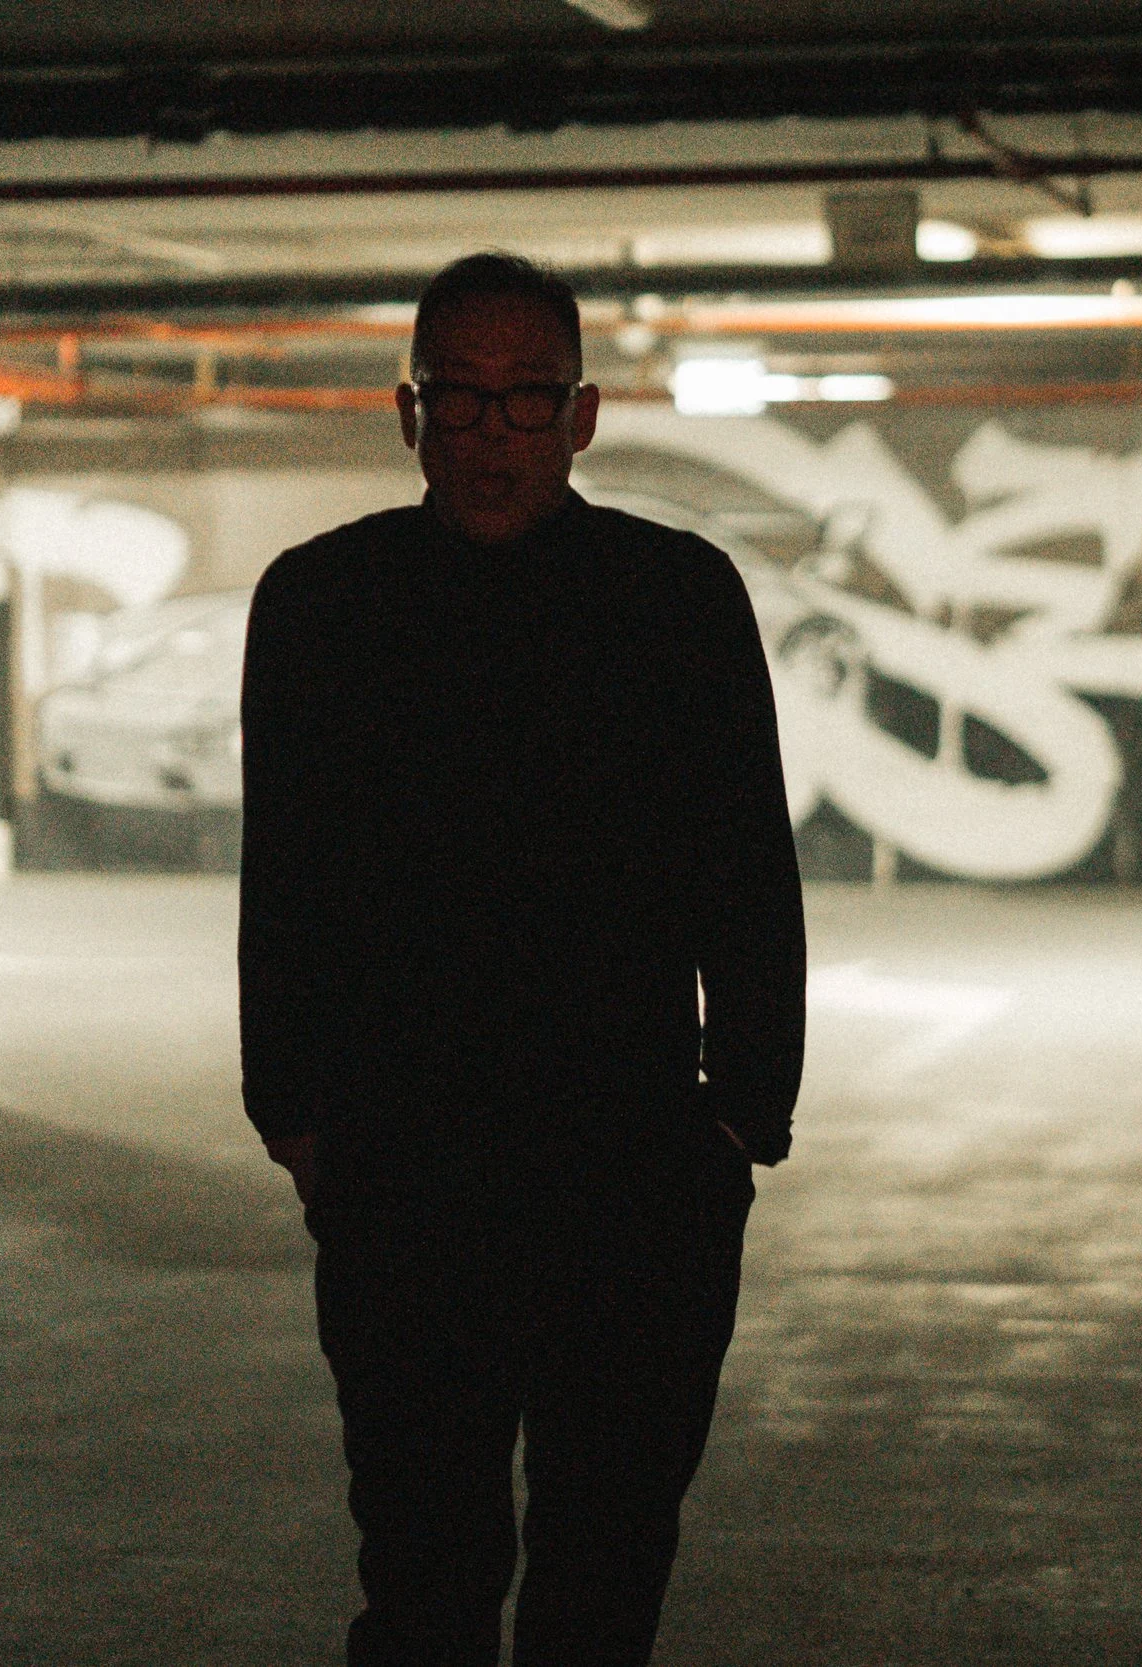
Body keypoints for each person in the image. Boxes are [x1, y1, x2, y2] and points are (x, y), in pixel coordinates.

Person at [238, 251, 806, 1667]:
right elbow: (286, 871)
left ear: (584, 414)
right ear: (409, 411)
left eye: (525, 402)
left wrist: (743, 1115)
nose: (493, 436)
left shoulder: (681, 601)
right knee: (428, 1576)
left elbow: (747, 868)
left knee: (601, 1583)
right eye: (463, 402)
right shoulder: (320, 604)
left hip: (631, 1169)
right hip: (408, 1177)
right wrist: (293, 1111)